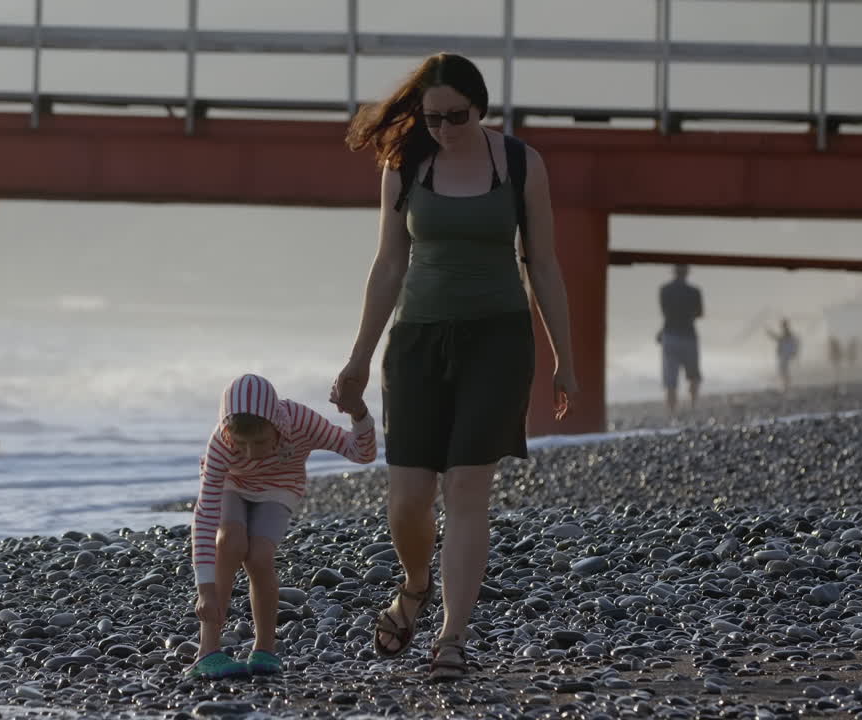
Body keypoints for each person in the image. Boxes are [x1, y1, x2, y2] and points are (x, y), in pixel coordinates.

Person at [331, 53, 577, 681]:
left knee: (468, 488)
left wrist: (564, 360)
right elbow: (389, 264)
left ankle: (452, 637)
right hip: (416, 343)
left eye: (454, 116)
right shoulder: (406, 163)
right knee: (408, 499)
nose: (440, 127)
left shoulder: (519, 163)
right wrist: (358, 359)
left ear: (480, 107)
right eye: (430, 115)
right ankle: (415, 584)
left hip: (498, 342)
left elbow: (542, 263)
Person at [187, 373, 377, 679]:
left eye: (260, 442)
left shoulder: (301, 421)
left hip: (279, 487)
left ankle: (265, 649)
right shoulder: (220, 445)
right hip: (231, 485)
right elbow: (205, 516)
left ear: (277, 425)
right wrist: (204, 589)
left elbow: (362, 453)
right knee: (230, 543)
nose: (251, 453)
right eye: (241, 444)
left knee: (259, 556)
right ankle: (206, 652)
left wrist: (359, 413)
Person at [658, 264, 704, 414]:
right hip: (688, 334)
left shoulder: (664, 290)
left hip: (670, 334)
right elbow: (699, 313)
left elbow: (664, 311)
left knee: (670, 377)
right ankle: (693, 405)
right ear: (687, 273)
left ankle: (672, 410)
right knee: (693, 374)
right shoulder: (694, 291)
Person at [766, 318, 800, 393]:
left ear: (785, 325)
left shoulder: (787, 332)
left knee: (783, 371)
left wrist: (770, 333)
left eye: (782, 325)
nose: (781, 326)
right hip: (784, 355)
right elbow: (780, 339)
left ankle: (786, 387)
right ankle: (786, 386)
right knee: (783, 371)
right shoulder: (787, 332)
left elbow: (780, 339)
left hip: (785, 355)